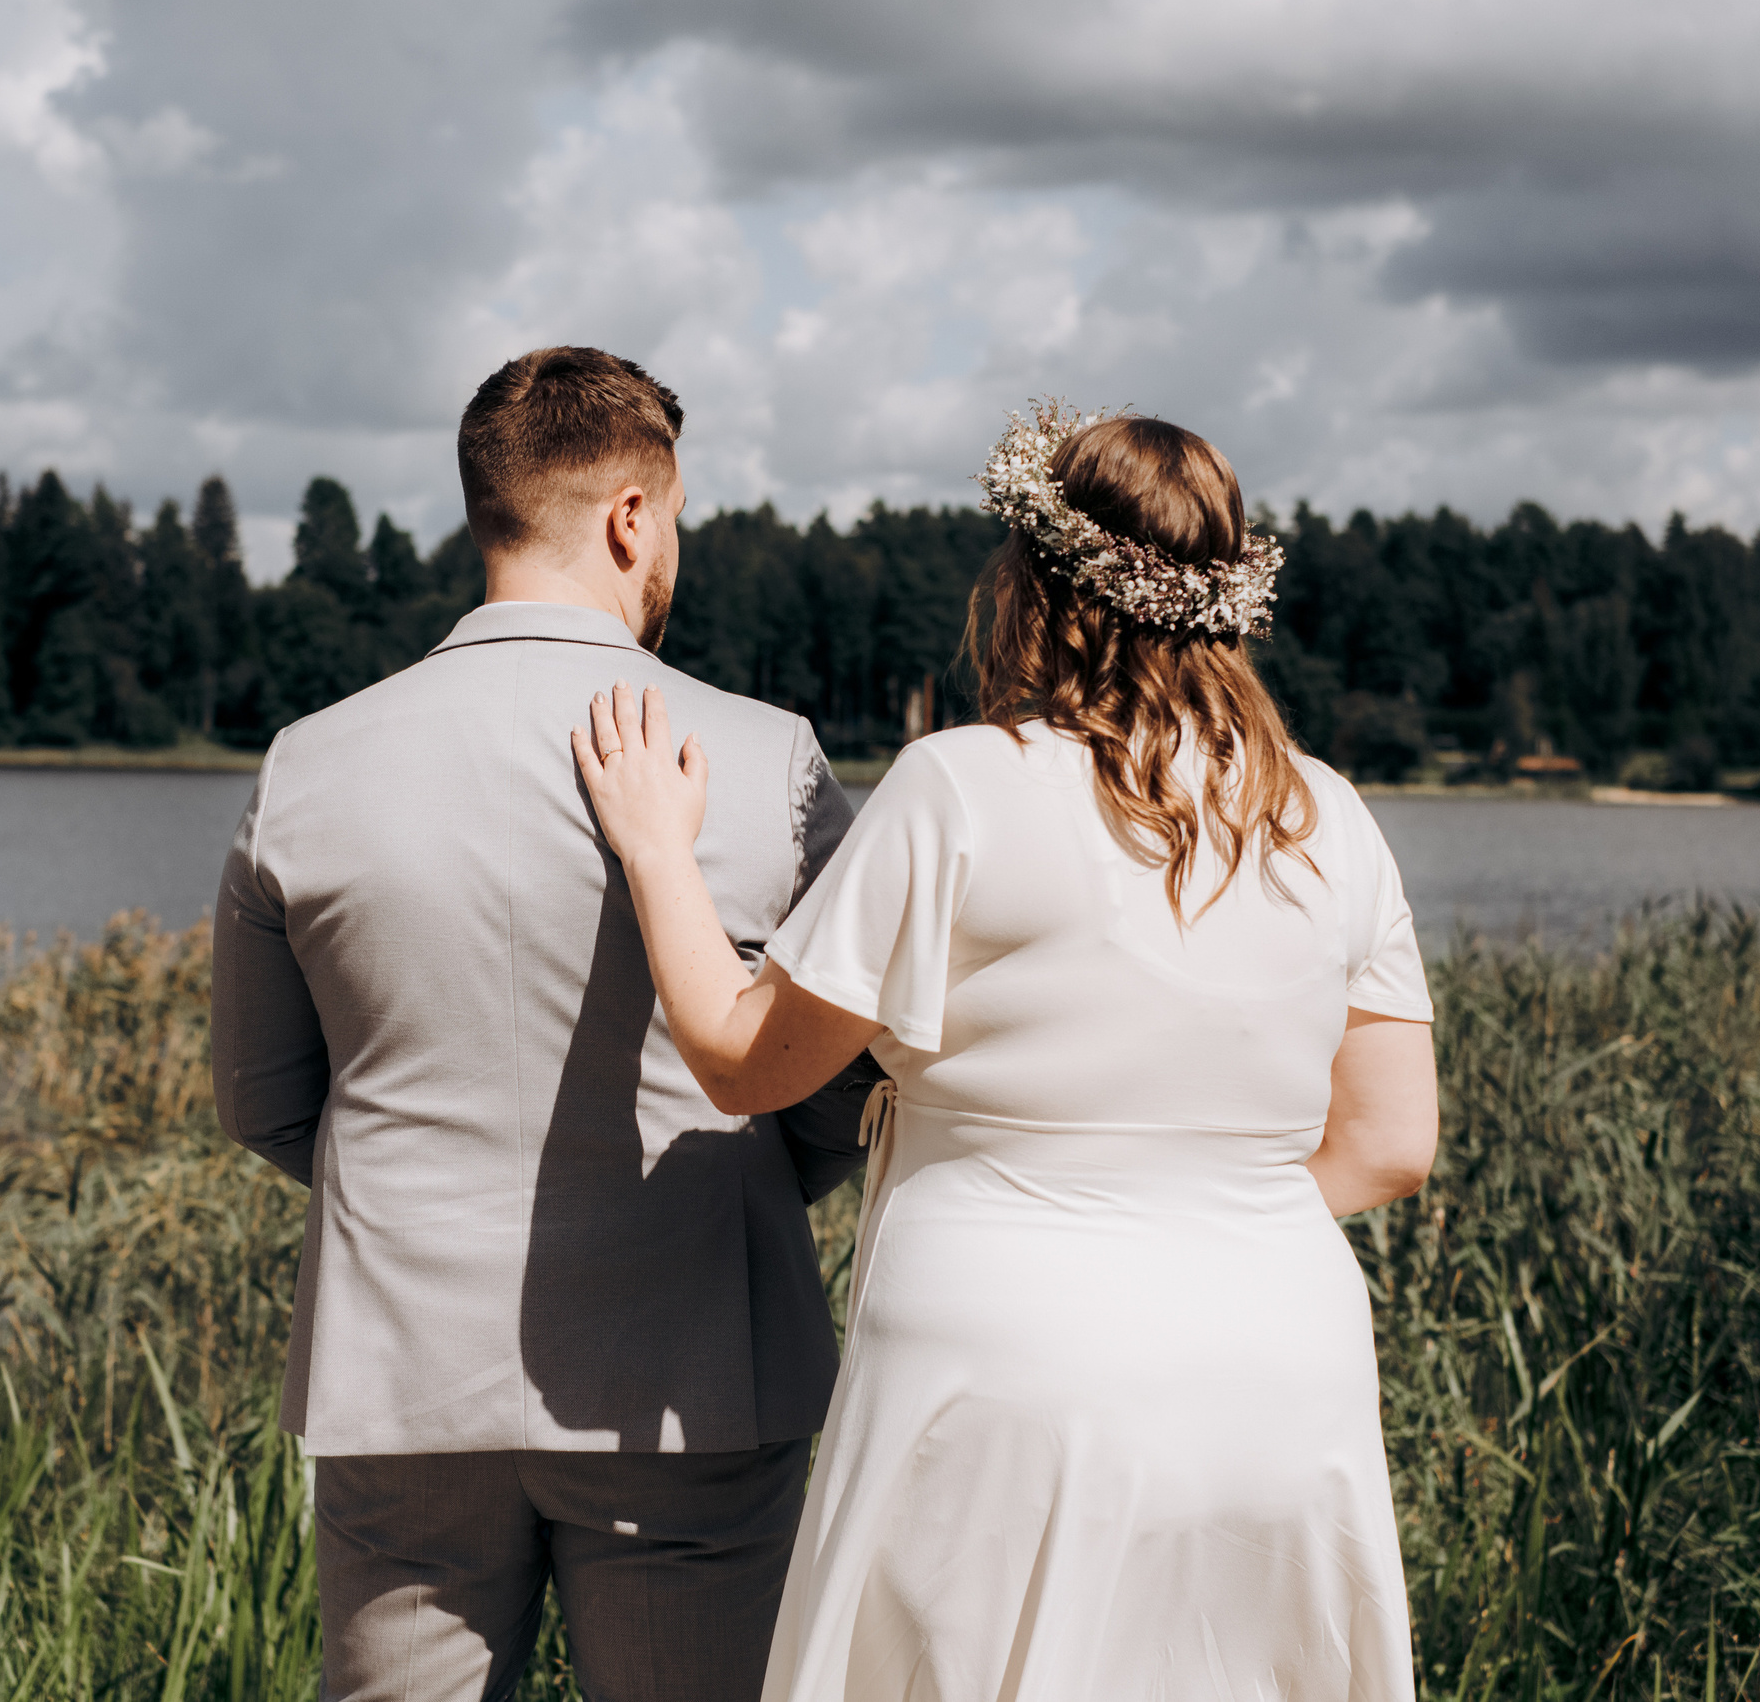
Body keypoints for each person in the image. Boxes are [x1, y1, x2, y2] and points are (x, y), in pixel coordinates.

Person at [572, 406, 1441, 1702]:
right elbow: (1390, 1144)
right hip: (1281, 1362)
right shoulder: (1333, 818)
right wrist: (1188, 1218)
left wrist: (657, 850)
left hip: (1003, 1361)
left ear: (1036, 584)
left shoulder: (959, 789)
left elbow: (746, 1064)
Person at [210, 345, 877, 1702]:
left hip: (403, 1374)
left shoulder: (310, 763)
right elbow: (841, 1087)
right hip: (694, 1366)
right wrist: (746, 1194)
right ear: (631, 517)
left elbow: (265, 1100)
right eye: (674, 516)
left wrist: (413, 1200)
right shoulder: (771, 761)